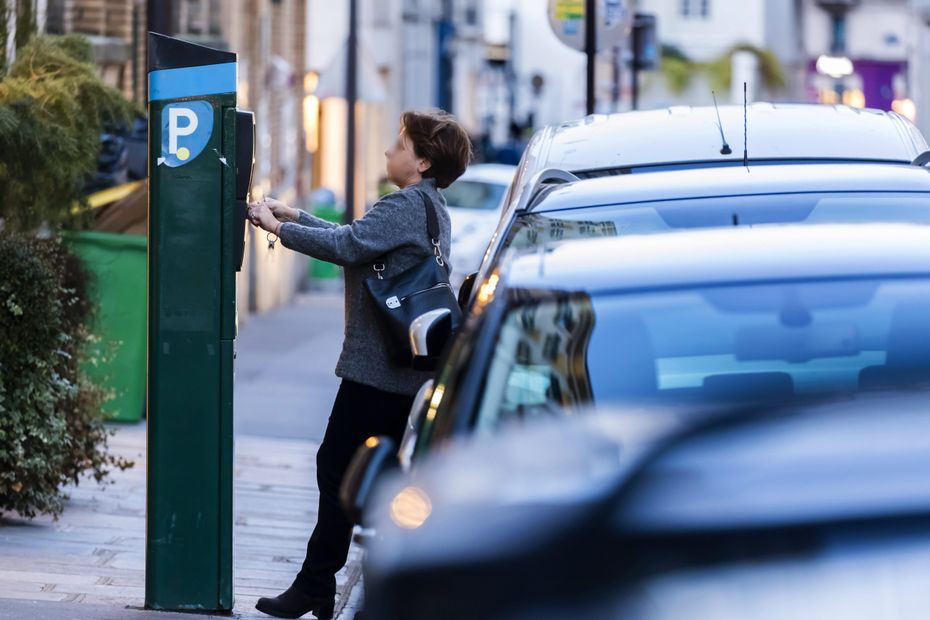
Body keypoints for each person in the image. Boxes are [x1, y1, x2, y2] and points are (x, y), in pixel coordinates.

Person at [247, 109, 473, 619]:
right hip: (399, 370)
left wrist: (277, 228)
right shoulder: (431, 207)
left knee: (340, 466)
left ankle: (323, 582)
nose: (389, 152)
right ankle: (332, 580)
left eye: (400, 144)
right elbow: (360, 241)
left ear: (421, 160)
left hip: (379, 370)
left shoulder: (404, 204)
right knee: (366, 472)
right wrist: (296, 216)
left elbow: (348, 245)